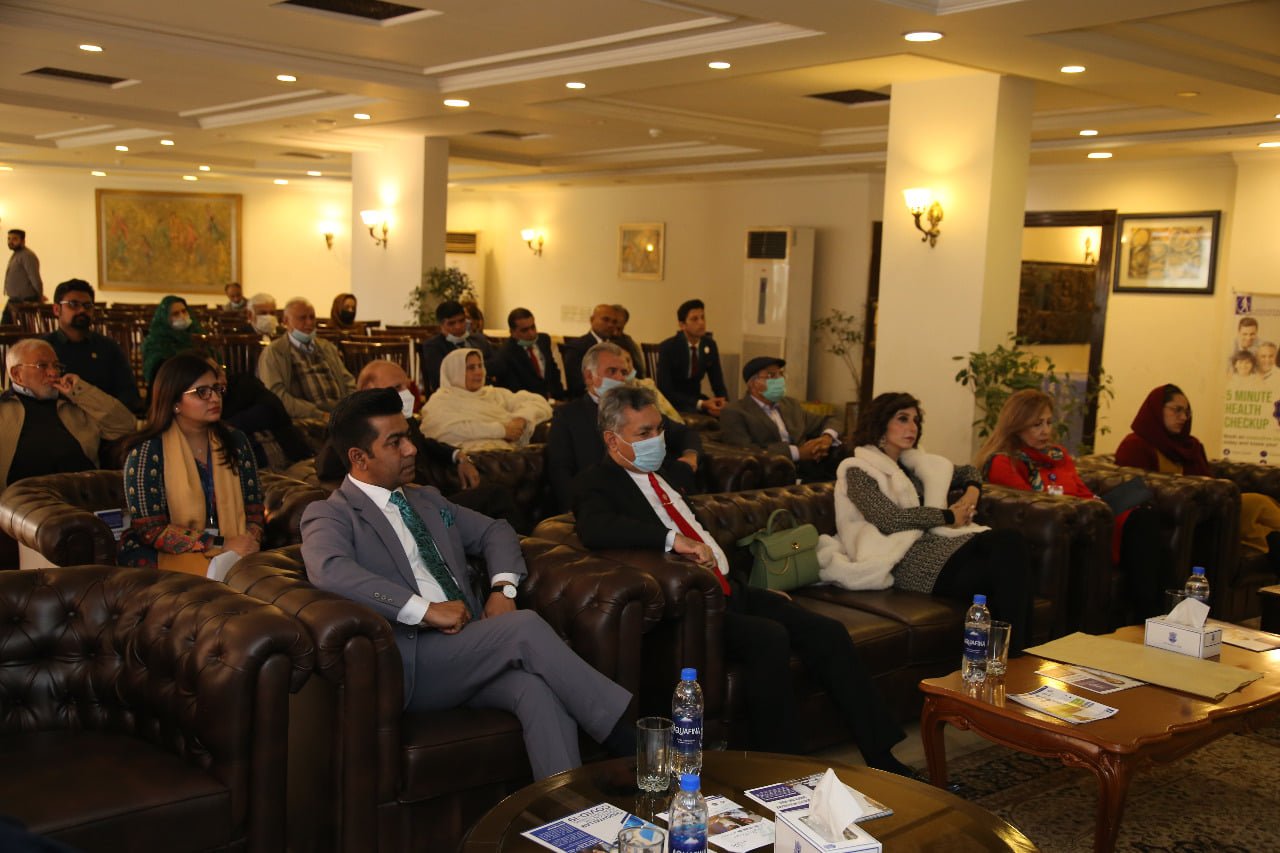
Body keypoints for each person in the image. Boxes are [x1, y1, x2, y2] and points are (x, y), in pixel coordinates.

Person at [571, 384, 915, 777]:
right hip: (692, 609)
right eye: (643, 433)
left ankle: (882, 756)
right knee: (768, 637)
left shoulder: (665, 475)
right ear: (612, 440)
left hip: (731, 589)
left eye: (658, 429)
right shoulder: (597, 482)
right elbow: (596, 528)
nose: (656, 440)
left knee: (828, 632)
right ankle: (784, 770)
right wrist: (672, 539)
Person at [300, 387, 632, 779]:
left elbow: (496, 530)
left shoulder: (426, 499)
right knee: (523, 628)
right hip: (412, 661)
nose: (411, 449)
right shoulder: (331, 514)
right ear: (359, 458)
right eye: (395, 442)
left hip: (470, 645)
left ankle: (568, 808)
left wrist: (503, 589)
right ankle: (629, 740)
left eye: (409, 437)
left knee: (536, 689)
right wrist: (425, 610)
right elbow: (330, 570)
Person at [821, 391, 1035, 651]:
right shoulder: (857, 469)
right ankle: (1017, 655)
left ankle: (1012, 655)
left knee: (1009, 550)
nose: (912, 427)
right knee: (1003, 561)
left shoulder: (916, 465)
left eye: (916, 420)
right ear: (880, 423)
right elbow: (888, 519)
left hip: (937, 545)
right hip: (901, 558)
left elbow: (969, 471)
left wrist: (971, 495)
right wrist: (949, 516)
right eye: (903, 419)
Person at [979, 389, 1168, 620]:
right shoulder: (1004, 461)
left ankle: (1164, 611)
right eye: (1037, 424)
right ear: (1016, 426)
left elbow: (1082, 491)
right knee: (1140, 524)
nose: (1046, 431)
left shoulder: (1058, 454)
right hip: (1062, 528)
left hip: (1089, 516)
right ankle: (1149, 613)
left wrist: (1099, 505)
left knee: (1146, 510)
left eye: (1048, 422)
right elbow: (1031, 507)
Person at [314, 359, 525, 528]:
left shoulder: (404, 420)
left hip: (435, 499)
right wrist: (354, 420)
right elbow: (325, 466)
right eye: (397, 387)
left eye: (407, 385)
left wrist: (459, 456)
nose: (406, 393)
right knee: (497, 496)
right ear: (369, 389)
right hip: (412, 510)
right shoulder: (355, 431)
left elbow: (425, 443)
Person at [117, 353, 263, 576]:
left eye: (217, 389)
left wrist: (250, 540)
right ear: (175, 402)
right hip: (171, 553)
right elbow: (150, 529)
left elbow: (254, 510)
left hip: (236, 546)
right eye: (202, 392)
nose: (214, 398)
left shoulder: (236, 441)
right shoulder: (147, 452)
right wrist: (219, 543)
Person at [1117, 384, 1280, 569]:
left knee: (1263, 525)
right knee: (1257, 506)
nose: (1183, 417)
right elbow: (1131, 494)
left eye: (1187, 412)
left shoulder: (1191, 446)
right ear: (1156, 409)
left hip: (1206, 513)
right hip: (1172, 517)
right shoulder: (1135, 445)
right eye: (1177, 410)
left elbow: (1209, 483)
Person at [547, 342, 701, 512]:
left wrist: (690, 456)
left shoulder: (640, 409)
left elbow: (685, 433)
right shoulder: (568, 416)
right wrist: (576, 511)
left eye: (624, 372)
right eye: (612, 371)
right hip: (603, 504)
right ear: (589, 376)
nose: (620, 379)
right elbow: (560, 471)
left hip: (656, 497)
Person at [1, 338, 136, 485]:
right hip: (22, 496)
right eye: (42, 366)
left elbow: (125, 425)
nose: (53, 372)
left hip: (80, 492)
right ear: (17, 374)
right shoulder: (3, 408)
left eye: (56, 366)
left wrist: (81, 391)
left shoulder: (76, 404)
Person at [720, 356, 845, 482]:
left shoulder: (791, 405)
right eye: (771, 375)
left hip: (810, 472)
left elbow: (831, 420)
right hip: (771, 477)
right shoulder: (735, 411)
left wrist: (826, 438)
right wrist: (797, 453)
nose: (779, 380)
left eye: (780, 374)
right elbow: (745, 450)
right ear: (753, 384)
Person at [421, 348, 551, 452]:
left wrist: (521, 419)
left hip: (507, 459)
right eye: (471, 368)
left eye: (480, 366)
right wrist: (502, 431)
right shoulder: (441, 401)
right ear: (455, 372)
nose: (479, 372)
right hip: (471, 463)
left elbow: (538, 402)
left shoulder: (493, 394)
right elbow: (447, 431)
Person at [44, 278, 142, 413]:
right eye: (73, 304)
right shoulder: (44, 348)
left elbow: (129, 393)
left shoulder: (109, 347)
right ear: (56, 309)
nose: (82, 310)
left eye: (87, 306)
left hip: (103, 419)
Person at [257, 297, 355, 421]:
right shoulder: (274, 352)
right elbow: (277, 395)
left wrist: (350, 407)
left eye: (312, 317)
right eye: (302, 318)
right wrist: (319, 414)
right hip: (305, 417)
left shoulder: (326, 347)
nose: (309, 323)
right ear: (286, 321)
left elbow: (348, 381)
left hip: (340, 412)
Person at [655, 298, 728, 416]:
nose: (701, 322)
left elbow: (717, 382)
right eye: (695, 319)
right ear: (682, 325)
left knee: (728, 414)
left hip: (696, 398)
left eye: (703, 317)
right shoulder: (668, 347)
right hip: (674, 402)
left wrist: (723, 402)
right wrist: (701, 403)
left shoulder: (709, 345)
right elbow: (665, 390)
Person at [420, 300, 493, 396]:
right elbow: (440, 377)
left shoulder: (479, 340)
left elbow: (495, 365)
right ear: (441, 325)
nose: (458, 326)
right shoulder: (433, 346)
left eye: (462, 321)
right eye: (451, 323)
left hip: (485, 391)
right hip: (453, 394)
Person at [491, 307, 565, 400]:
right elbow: (514, 388)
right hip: (526, 402)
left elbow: (553, 371)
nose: (531, 333)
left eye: (533, 327)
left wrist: (557, 397)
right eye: (524, 330)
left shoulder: (544, 340)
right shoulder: (506, 354)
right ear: (512, 332)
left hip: (553, 399)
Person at [141, 295, 207, 386]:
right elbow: (156, 375)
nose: (182, 316)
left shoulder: (197, 334)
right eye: (176, 314)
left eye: (184, 311)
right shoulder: (156, 342)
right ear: (165, 318)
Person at [561, 303, 622, 398]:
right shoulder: (577, 347)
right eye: (605, 319)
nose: (610, 325)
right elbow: (576, 383)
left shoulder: (618, 348)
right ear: (592, 320)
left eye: (614, 322)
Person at [4, 228, 43, 324]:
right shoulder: (16, 255)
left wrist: (39, 297)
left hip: (25, 302)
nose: (10, 241)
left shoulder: (27, 255)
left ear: (23, 241)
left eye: (14, 239)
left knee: (23, 329)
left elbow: (35, 278)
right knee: (6, 328)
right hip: (14, 300)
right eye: (9, 238)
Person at [611, 303, 647, 380]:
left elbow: (639, 372)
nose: (615, 333)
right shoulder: (597, 340)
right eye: (612, 327)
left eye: (619, 329)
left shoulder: (628, 342)